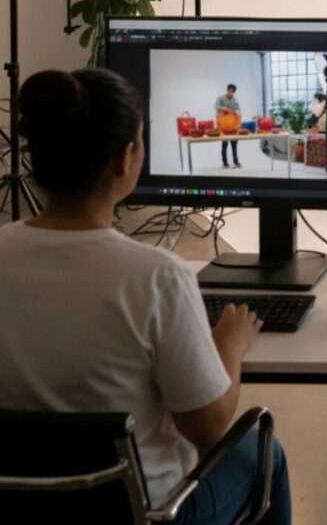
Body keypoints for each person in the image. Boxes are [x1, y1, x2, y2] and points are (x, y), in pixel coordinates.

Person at [0, 68, 291, 524]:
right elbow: (208, 426)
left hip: (16, 500)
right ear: (126, 158)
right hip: (146, 512)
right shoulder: (157, 277)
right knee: (265, 454)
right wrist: (229, 343)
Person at [215, 83, 242, 168]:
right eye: (229, 90)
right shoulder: (220, 98)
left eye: (232, 91)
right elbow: (215, 107)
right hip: (223, 126)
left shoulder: (235, 101)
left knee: (234, 145)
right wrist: (223, 108)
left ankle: (236, 162)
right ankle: (225, 163)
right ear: (227, 90)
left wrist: (235, 113)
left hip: (233, 125)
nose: (230, 92)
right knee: (224, 145)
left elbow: (237, 111)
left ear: (234, 92)